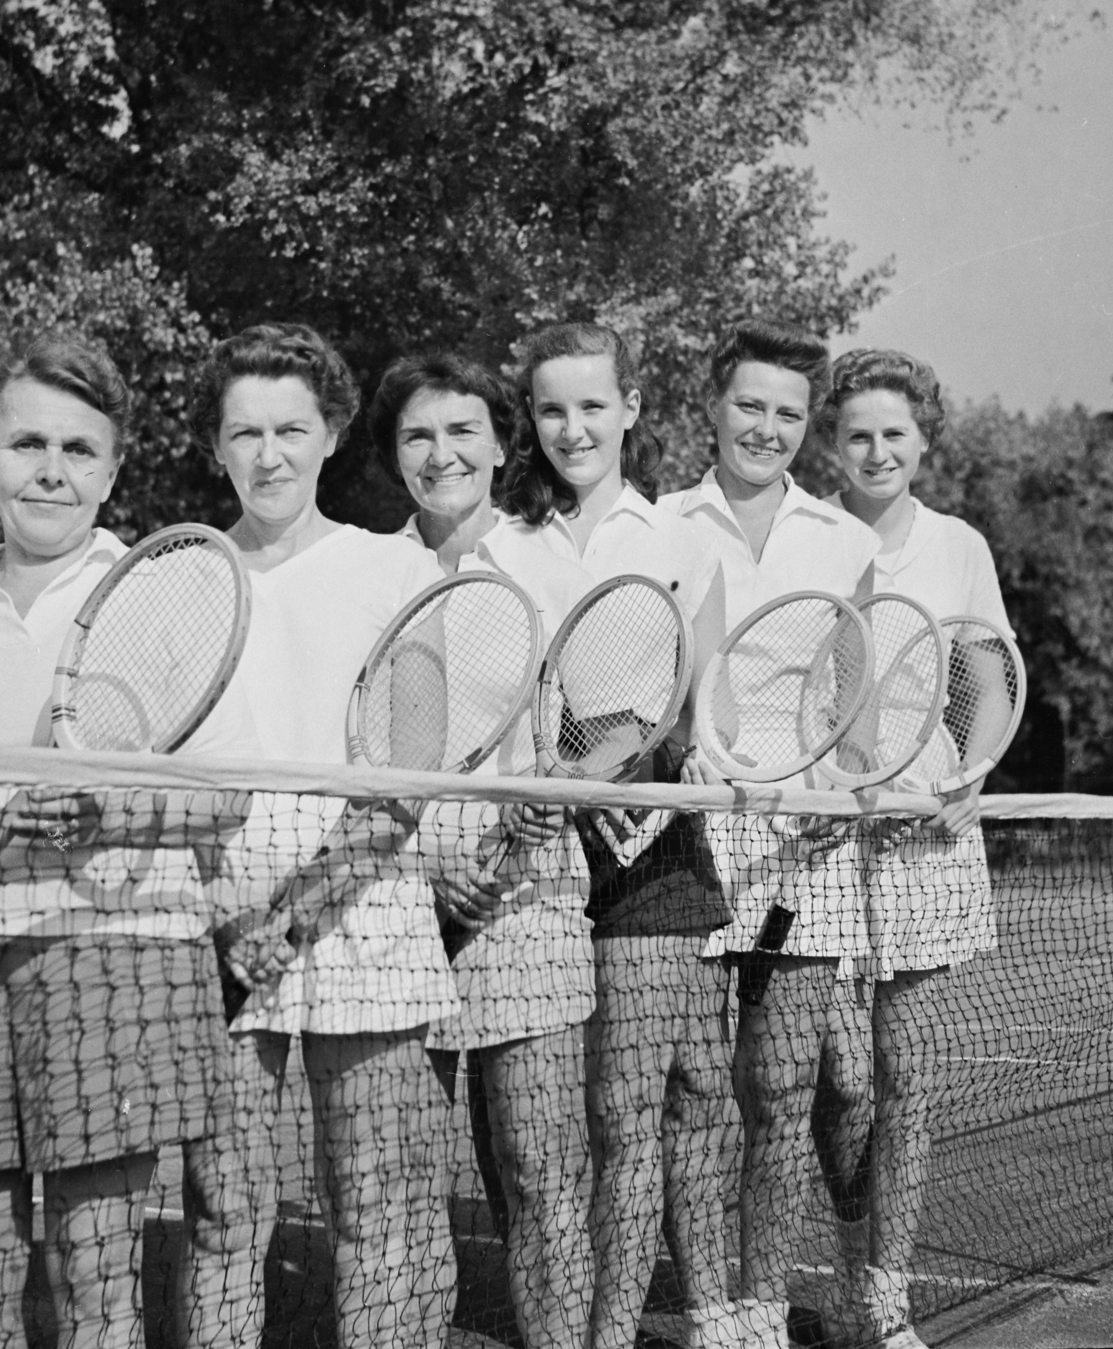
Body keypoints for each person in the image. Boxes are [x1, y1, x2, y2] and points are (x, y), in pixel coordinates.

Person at [0, 332, 247, 1349]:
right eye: (27, 443)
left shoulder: (168, 596)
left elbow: (231, 799)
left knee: (95, 1287)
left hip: (115, 965)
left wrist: (105, 812)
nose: (51, 470)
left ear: (113, 468)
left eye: (79, 448)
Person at [191, 323, 460, 1348]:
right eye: (245, 430)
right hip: (218, 925)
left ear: (334, 433)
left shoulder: (395, 574)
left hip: (366, 921)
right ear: (216, 444)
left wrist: (292, 916)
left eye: (291, 428)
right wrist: (231, 915)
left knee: (377, 1209)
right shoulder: (184, 572)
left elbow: (403, 788)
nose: (269, 453)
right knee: (222, 1213)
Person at [500, 321, 733, 1349]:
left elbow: (694, 710)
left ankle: (610, 1333)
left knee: (624, 1109)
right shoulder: (504, 544)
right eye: (552, 408)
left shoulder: (682, 538)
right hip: (538, 847)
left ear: (632, 407)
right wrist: (546, 782)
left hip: (651, 845)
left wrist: (628, 770)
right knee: (537, 1130)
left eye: (593, 404)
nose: (573, 426)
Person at [367, 352, 596, 1348]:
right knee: (405, 1185)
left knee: (542, 1171)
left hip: (530, 904)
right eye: (417, 434)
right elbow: (356, 751)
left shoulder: (555, 561)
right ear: (391, 456)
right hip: (394, 909)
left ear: (503, 445)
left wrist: (564, 797)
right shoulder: (366, 574)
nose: (441, 452)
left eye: (462, 430)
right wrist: (420, 868)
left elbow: (604, 726)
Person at [665, 318, 881, 1349]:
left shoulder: (846, 540)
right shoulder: (661, 523)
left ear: (811, 425)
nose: (766, 427)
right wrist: (683, 756)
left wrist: (842, 783)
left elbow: (854, 694)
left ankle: (759, 1300)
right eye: (749, 404)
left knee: (783, 1087)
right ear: (711, 404)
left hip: (802, 852)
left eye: (788, 412)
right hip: (690, 846)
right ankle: (711, 1310)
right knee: (699, 1091)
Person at [812, 348, 1012, 1349]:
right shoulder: (804, 537)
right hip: (815, 838)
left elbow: (987, 678)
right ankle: (856, 1256)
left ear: (923, 438)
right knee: (838, 1078)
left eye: (895, 432)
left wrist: (965, 776)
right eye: (857, 433)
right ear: (830, 445)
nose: (877, 449)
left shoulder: (956, 545)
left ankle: (879, 1297)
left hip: (924, 836)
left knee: (907, 1077)